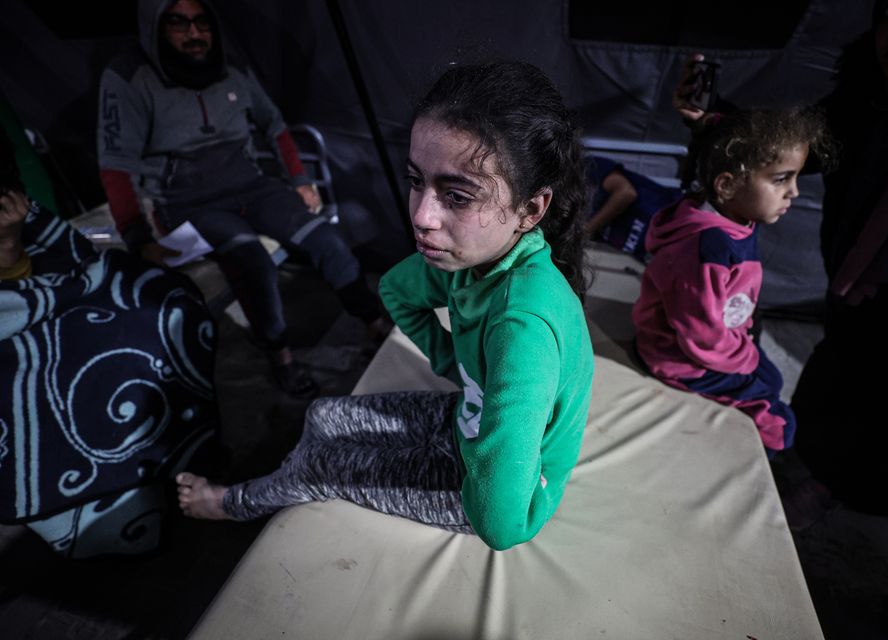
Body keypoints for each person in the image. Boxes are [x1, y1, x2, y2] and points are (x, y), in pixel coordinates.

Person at [176, 60, 595, 551]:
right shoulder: (476, 259)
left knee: (321, 465)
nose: (421, 215)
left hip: (501, 494)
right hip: (467, 416)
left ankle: (230, 503)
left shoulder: (521, 328)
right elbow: (397, 290)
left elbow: (502, 525)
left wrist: (483, 438)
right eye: (417, 180)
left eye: (457, 195)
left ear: (530, 209)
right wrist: (459, 368)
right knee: (323, 416)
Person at [673, 0, 888, 516]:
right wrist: (714, 118)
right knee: (838, 387)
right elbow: (799, 147)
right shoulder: (870, 98)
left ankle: (880, 514)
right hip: (858, 281)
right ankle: (817, 479)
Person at [97, 0, 388, 398]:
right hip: (186, 201)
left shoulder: (230, 67)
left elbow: (274, 124)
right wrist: (137, 236)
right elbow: (116, 165)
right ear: (155, 28)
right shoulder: (130, 77)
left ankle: (374, 323)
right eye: (178, 23)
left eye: (202, 22)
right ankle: (281, 356)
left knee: (326, 240)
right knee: (252, 262)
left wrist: (299, 179)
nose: (194, 34)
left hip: (250, 185)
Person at [0, 122, 217, 557]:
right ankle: (101, 518)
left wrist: (11, 245)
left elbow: (73, 261)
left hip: (48, 298)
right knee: (42, 385)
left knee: (161, 307)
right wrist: (7, 248)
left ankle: (172, 463)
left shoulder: (24, 215)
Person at [632, 108, 834, 456]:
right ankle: (764, 465)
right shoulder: (705, 249)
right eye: (781, 179)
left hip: (722, 341)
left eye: (795, 179)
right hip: (679, 357)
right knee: (779, 421)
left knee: (773, 379)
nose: (794, 193)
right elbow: (700, 335)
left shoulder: (736, 219)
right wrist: (745, 358)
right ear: (726, 185)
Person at [585, 154, 682, 262]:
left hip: (669, 222)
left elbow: (626, 193)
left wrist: (586, 231)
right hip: (648, 254)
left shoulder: (585, 168)